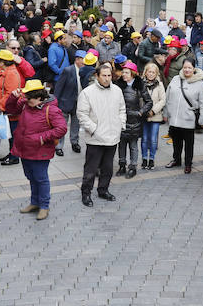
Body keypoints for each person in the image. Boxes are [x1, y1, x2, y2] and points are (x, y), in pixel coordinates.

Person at [5, 80, 68, 220]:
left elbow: (62, 128)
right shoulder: (25, 104)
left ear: (39, 97)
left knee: (41, 178)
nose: (27, 100)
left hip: (40, 151)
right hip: (24, 149)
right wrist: (13, 97)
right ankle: (34, 203)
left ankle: (44, 206)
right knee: (31, 177)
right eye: (26, 97)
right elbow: (10, 110)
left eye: (30, 98)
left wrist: (43, 137)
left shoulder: (51, 109)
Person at [78, 64, 126, 207]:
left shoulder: (117, 90)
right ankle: (86, 193)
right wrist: (94, 129)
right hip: (95, 139)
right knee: (91, 169)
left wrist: (120, 125)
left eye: (109, 75)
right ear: (97, 76)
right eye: (104, 75)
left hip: (112, 137)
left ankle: (103, 190)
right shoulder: (87, 93)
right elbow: (82, 114)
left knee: (108, 168)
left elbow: (122, 109)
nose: (107, 78)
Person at [164, 59, 203, 173]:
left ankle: (188, 163)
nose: (187, 70)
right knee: (176, 142)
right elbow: (167, 97)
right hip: (175, 117)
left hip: (189, 118)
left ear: (194, 68)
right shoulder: (176, 79)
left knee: (189, 144)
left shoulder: (200, 83)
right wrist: (166, 113)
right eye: (185, 67)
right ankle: (176, 159)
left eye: (189, 67)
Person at [116, 61, 153, 178]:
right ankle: (122, 165)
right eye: (123, 72)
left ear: (132, 74)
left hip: (134, 120)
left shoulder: (140, 86)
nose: (124, 74)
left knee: (133, 145)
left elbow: (149, 102)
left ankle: (132, 167)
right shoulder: (118, 85)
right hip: (121, 119)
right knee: (121, 145)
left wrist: (141, 112)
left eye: (126, 72)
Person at [53, 50, 89, 154]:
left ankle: (75, 142)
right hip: (65, 102)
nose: (84, 62)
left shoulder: (85, 71)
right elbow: (59, 87)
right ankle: (59, 146)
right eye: (83, 59)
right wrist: (55, 102)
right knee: (62, 125)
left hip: (79, 103)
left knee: (76, 125)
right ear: (77, 60)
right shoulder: (68, 70)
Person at [141, 63, 166, 170]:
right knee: (144, 138)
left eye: (153, 72)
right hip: (144, 115)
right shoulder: (141, 84)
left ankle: (151, 158)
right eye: (149, 72)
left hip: (155, 116)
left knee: (153, 139)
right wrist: (144, 110)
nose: (151, 74)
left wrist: (153, 110)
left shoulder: (160, 85)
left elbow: (163, 100)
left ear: (156, 74)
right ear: (145, 72)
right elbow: (139, 98)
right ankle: (144, 158)